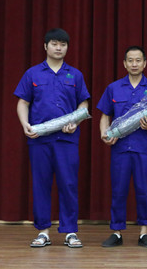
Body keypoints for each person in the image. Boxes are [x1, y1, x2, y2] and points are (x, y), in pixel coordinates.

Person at [14, 28, 90, 248]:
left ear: (67, 48)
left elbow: (83, 103)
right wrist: (25, 124)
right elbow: (23, 102)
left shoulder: (75, 75)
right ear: (45, 46)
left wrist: (76, 122)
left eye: (63, 44)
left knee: (68, 183)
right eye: (55, 44)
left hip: (67, 139)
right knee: (41, 184)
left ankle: (70, 231)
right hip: (39, 139)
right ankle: (43, 231)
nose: (59, 48)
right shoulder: (32, 74)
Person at [97, 46, 147, 248]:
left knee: (144, 190)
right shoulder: (114, 88)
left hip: (144, 147)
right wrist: (104, 134)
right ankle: (116, 232)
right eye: (130, 60)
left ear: (145, 63)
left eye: (138, 60)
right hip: (120, 148)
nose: (134, 64)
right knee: (118, 190)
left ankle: (144, 232)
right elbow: (105, 115)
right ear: (124, 64)